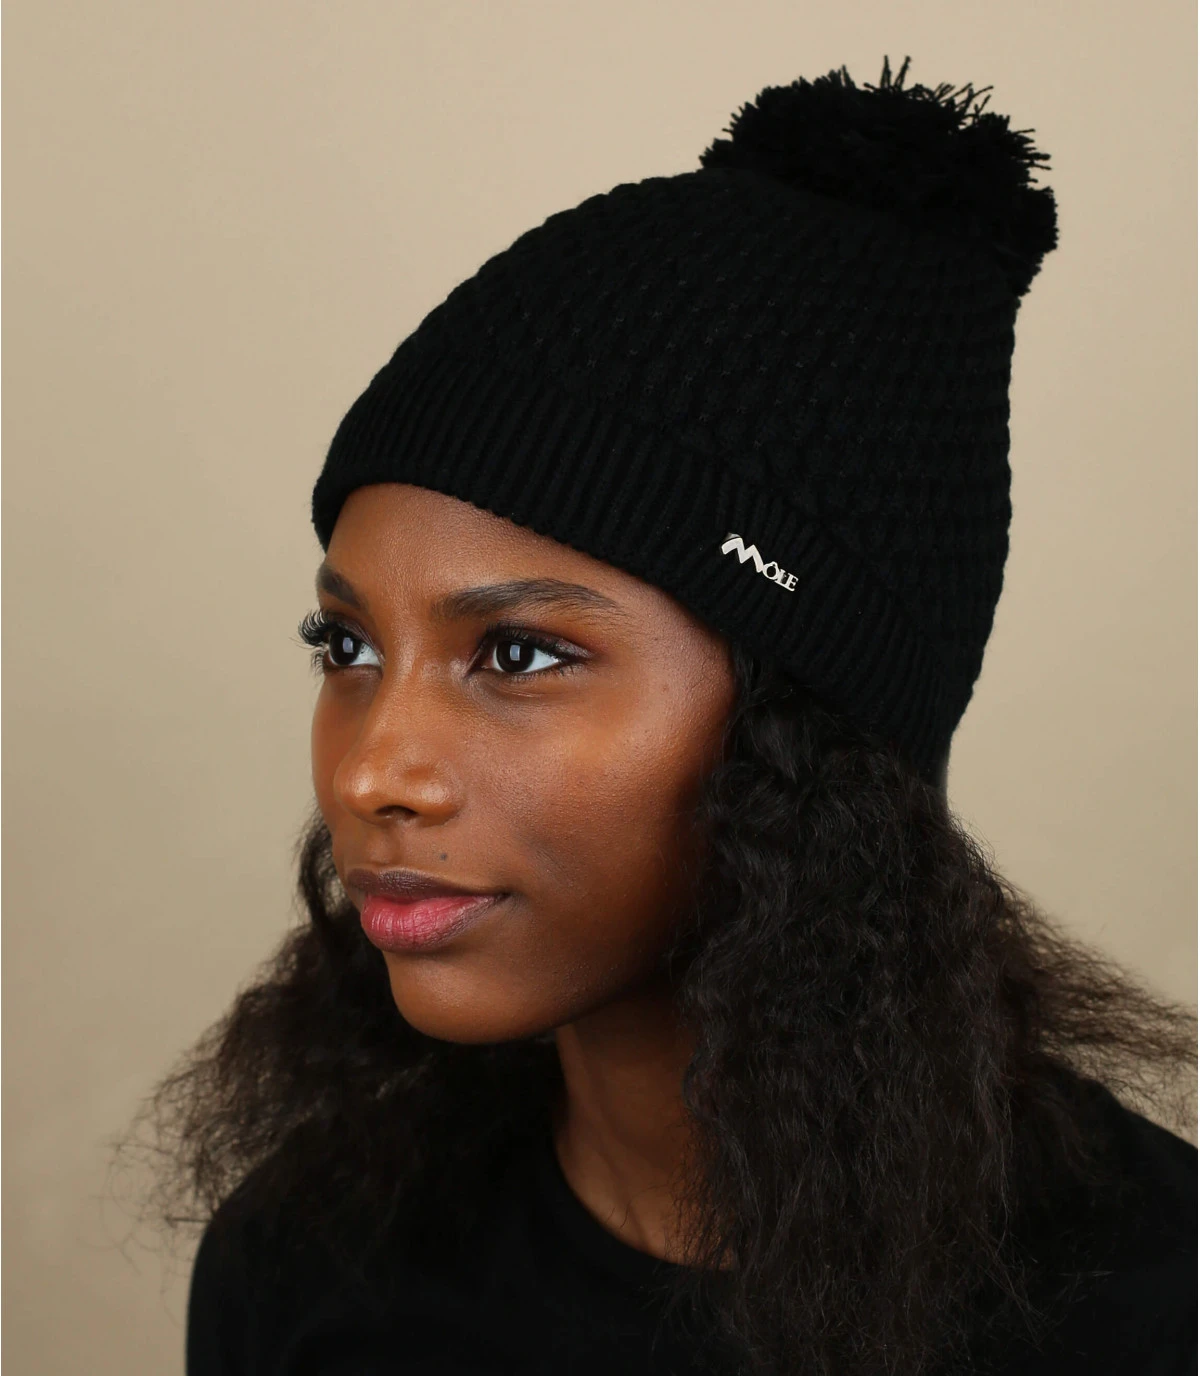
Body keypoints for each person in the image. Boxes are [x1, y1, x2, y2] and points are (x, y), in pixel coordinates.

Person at [144, 57, 1197, 1376]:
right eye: (346, 646)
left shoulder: (1156, 1308)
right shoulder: (306, 1271)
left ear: (814, 734)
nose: (371, 773)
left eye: (519, 654)